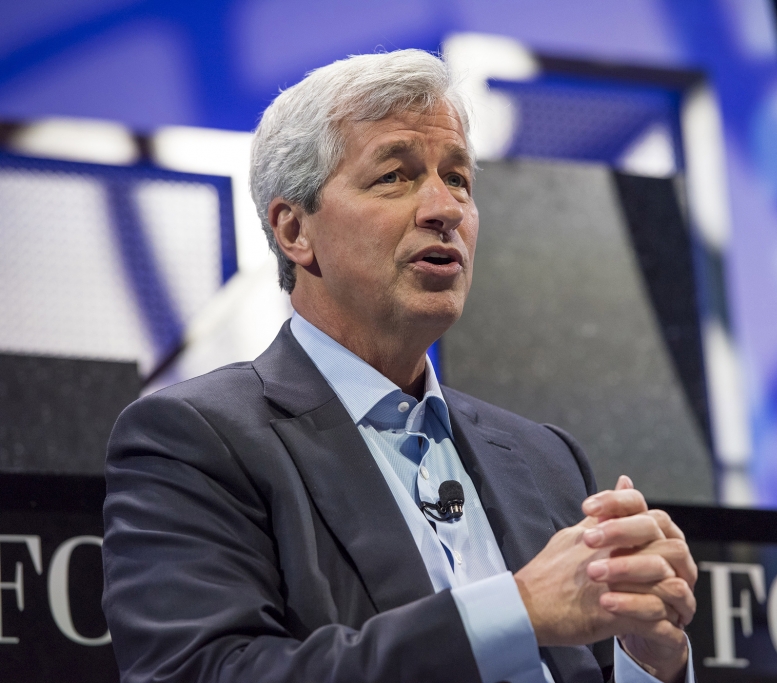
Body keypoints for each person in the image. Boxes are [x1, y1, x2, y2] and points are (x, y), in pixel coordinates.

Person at [102, 49, 697, 683]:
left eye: (460, 179)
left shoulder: (545, 459)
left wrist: (647, 657)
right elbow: (205, 673)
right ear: (294, 230)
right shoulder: (194, 439)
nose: (445, 209)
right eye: (394, 176)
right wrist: (514, 610)